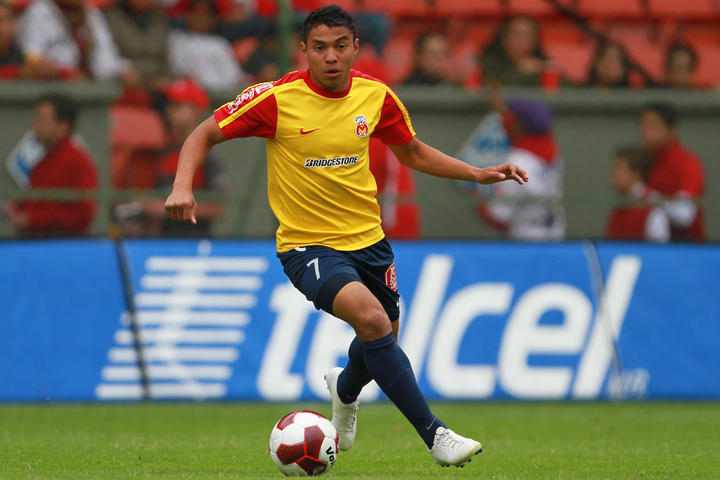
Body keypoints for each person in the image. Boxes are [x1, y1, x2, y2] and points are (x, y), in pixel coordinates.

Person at [164, 5, 528, 468]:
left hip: (370, 242)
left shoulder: (376, 97)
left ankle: (345, 388)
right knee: (373, 322)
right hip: (308, 246)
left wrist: (476, 173)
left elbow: (412, 151)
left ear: (356, 47)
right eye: (320, 48)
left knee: (382, 335)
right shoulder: (276, 99)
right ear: (304, 50)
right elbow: (203, 133)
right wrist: (182, 186)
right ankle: (436, 435)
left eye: (340, 46)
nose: (331, 56)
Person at [471, 82, 564, 240]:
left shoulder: (517, 161)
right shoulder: (552, 152)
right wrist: (499, 105)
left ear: (521, 125)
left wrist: (478, 202)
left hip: (525, 239)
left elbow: (500, 218)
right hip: (555, 233)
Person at [4, 93, 98, 235]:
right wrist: (17, 206)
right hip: (36, 241)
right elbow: (38, 203)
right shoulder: (41, 163)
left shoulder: (78, 162)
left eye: (42, 120)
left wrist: (33, 219)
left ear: (63, 126)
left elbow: (83, 215)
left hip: (63, 243)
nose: (35, 126)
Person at [17, 0, 139, 83]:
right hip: (51, 87)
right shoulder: (38, 11)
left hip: (86, 88)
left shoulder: (91, 13)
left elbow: (105, 57)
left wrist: (122, 70)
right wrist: (65, 74)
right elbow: (32, 56)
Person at [639, 103, 705, 241]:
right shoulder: (644, 162)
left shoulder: (688, 163)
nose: (644, 131)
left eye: (652, 125)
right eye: (643, 125)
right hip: (648, 247)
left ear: (671, 130)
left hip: (687, 248)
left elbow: (684, 215)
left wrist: (642, 191)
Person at [168, 0, 246, 90]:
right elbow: (179, 69)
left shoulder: (219, 43)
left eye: (206, 15)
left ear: (214, 19)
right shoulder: (177, 38)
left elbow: (234, 75)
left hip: (223, 91)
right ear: (188, 15)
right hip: (195, 89)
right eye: (197, 14)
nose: (200, 19)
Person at [104, 0, 173, 90]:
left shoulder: (159, 18)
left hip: (159, 83)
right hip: (125, 82)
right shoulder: (111, 17)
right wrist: (122, 71)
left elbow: (166, 57)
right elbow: (107, 57)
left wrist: (166, 79)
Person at [606, 145, 669, 242]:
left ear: (636, 173)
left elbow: (660, 246)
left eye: (619, 168)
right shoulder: (619, 208)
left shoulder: (652, 204)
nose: (613, 175)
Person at [479, 16, 548, 87]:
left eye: (526, 35)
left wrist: (540, 72)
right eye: (515, 34)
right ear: (503, 37)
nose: (520, 40)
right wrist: (519, 70)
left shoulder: (543, 67)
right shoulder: (487, 63)